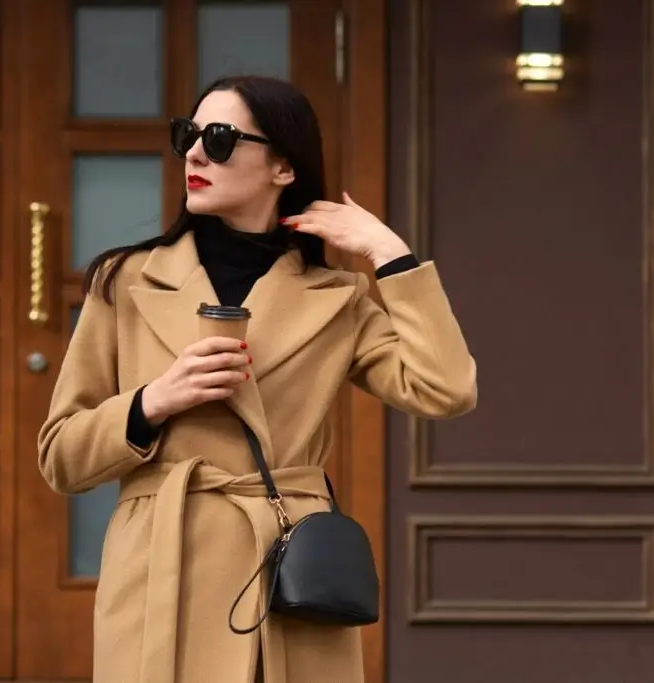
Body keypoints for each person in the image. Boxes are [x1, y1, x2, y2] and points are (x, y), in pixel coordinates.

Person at [37, 75, 477, 683]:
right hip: (161, 571)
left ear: (283, 168)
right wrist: (153, 401)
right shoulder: (124, 281)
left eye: (218, 139)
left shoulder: (336, 299)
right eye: (187, 135)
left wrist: (388, 254)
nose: (193, 153)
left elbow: (445, 389)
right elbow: (60, 456)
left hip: (284, 574)